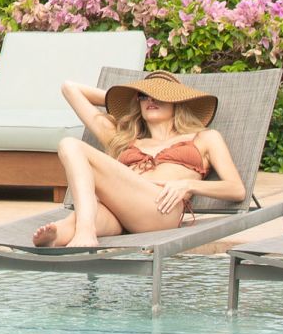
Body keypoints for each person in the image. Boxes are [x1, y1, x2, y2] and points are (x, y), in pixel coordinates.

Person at [30, 69, 245, 248]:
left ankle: (85, 232)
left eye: (159, 95)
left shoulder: (204, 138)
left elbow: (236, 189)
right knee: (77, 216)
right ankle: (60, 235)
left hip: (161, 209)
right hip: (122, 213)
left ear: (177, 102)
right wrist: (127, 101)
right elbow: (70, 88)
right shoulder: (124, 139)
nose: (150, 99)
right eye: (144, 96)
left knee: (71, 144)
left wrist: (187, 184)